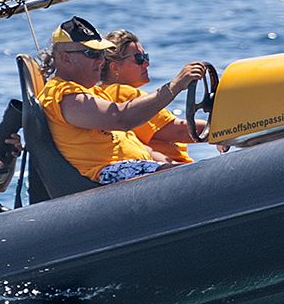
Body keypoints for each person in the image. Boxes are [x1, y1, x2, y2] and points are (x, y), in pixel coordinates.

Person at [38, 16, 209, 184]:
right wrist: (174, 87)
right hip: (109, 173)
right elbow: (120, 118)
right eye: (92, 53)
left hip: (132, 167)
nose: (101, 60)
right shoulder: (63, 94)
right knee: (197, 178)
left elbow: (135, 142)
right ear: (65, 57)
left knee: (195, 172)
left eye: (102, 53)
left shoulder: (93, 92)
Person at [101, 29, 201, 164]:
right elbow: (179, 131)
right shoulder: (121, 92)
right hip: (170, 173)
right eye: (139, 59)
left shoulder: (103, 94)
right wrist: (225, 127)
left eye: (146, 57)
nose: (146, 63)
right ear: (114, 67)